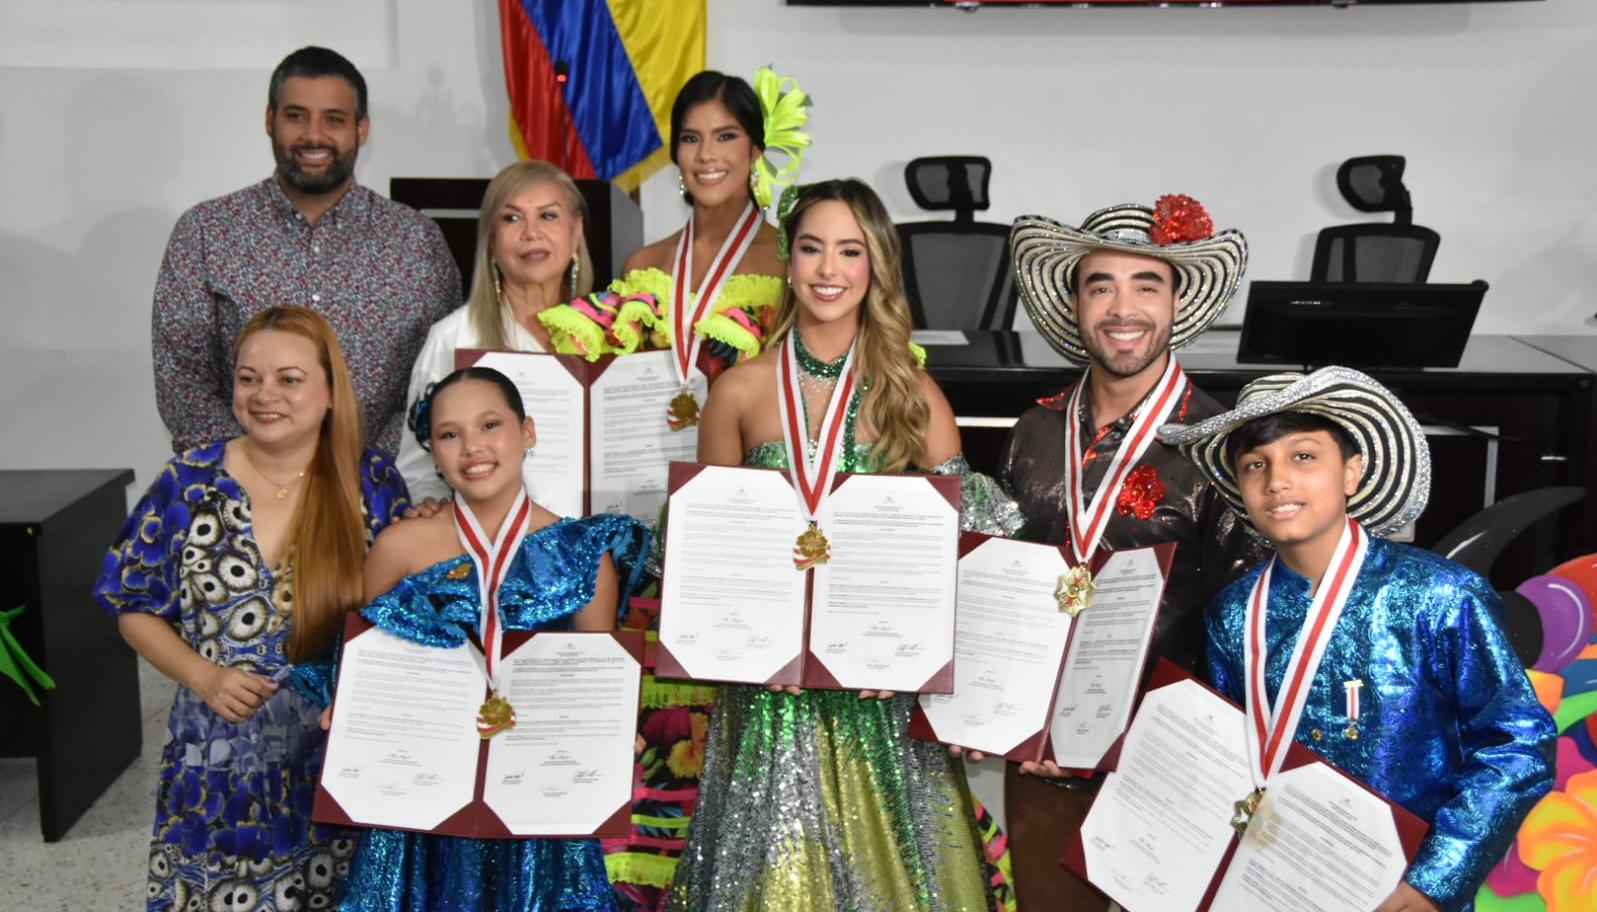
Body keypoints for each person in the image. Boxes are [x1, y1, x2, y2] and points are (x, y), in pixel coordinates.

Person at [665, 179, 1020, 912]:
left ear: (875, 267)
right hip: (770, 696)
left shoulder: (914, 395)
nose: (828, 269)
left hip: (877, 696)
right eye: (812, 248)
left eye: (849, 251)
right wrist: (748, 643)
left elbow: (962, 551)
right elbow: (706, 554)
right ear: (787, 263)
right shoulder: (735, 391)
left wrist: (917, 654)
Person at [539, 68, 810, 911]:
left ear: (756, 149)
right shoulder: (647, 263)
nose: (705, 154)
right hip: (650, 518)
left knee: (737, 723)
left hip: (749, 528)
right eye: (690, 139)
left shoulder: (793, 258)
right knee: (657, 724)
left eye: (724, 137)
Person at [1159, 366, 1556, 912]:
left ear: (1351, 471)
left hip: (1403, 891)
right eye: (1256, 465)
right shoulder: (1234, 614)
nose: (1277, 481)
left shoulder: (1439, 596)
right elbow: (1223, 751)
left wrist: (1436, 878)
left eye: (1303, 456)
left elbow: (1517, 741)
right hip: (1271, 885)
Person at [987, 196, 1263, 908]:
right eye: (1099, 285)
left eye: (1147, 285)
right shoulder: (1032, 431)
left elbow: (1249, 617)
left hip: (1170, 757)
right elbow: (1003, 584)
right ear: (1075, 304)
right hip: (1040, 754)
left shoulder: (1222, 443)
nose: (1122, 307)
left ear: (1177, 302)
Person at [95, 306, 410, 911]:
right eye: (248, 378)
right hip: (214, 767)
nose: (265, 395)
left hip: (336, 761)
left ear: (328, 391)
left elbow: (405, 612)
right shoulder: (188, 480)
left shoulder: (369, 480)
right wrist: (203, 676)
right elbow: (131, 605)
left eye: (289, 379)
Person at [315, 366, 648, 911]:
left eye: (490, 424)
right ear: (434, 451)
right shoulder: (400, 546)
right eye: (450, 434)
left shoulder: (583, 552)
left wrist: (611, 731)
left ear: (529, 432)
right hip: (421, 814)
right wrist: (348, 709)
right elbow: (372, 666)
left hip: (538, 806)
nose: (473, 446)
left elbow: (592, 678)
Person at [153, 45, 460, 456]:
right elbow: (182, 384)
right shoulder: (206, 233)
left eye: (334, 119)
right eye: (296, 116)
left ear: (361, 129)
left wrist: (370, 473)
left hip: (385, 494)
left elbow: (439, 378)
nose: (313, 135)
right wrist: (262, 473)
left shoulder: (416, 242)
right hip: (243, 496)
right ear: (270, 120)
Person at [394, 160, 593, 502]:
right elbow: (418, 473)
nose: (531, 232)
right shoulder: (453, 338)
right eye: (511, 218)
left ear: (575, 232)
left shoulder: (614, 333)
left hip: (598, 538)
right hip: (487, 544)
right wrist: (431, 507)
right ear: (490, 239)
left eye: (548, 216)